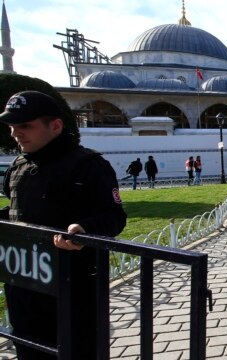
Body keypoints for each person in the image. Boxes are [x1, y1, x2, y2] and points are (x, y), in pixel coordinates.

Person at [0, 90, 127, 359]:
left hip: (72, 287)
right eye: (12, 126)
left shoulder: (89, 166)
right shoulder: (18, 166)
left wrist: (84, 229)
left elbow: (114, 217)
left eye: (25, 126)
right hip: (24, 284)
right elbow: (16, 211)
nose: (15, 134)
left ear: (55, 126)